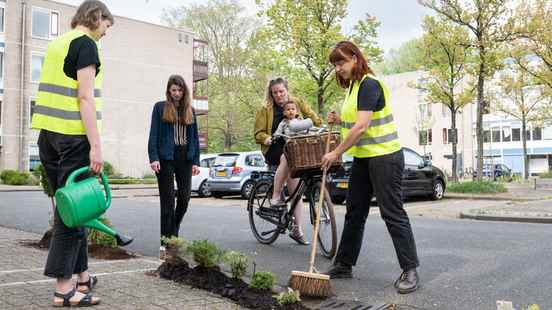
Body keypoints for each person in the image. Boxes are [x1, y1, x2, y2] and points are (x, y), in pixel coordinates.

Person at [30, 1, 113, 306]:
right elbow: (85, 97)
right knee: (70, 214)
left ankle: (81, 277)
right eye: (106, 26)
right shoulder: (86, 45)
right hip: (73, 137)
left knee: (73, 209)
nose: (106, 33)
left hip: (48, 135)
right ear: (96, 17)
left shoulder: (57, 44)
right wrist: (96, 145)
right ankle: (63, 289)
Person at [321, 41, 420, 294]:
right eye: (335, 64)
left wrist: (335, 152)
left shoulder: (369, 84)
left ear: (355, 58)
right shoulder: (353, 87)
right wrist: (339, 119)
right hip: (365, 158)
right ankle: (344, 263)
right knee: (354, 211)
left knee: (392, 212)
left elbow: (362, 127)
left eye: (341, 62)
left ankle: (410, 269)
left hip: (385, 157)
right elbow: (358, 120)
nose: (338, 68)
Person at [254, 78, 321, 245]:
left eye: (281, 91)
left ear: (287, 90)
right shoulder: (266, 109)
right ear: (271, 94)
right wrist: (266, 138)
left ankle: (297, 230)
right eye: (275, 92)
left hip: (296, 147)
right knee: (286, 156)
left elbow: (313, 118)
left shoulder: (296, 102)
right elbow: (258, 133)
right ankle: (276, 196)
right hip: (275, 148)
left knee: (296, 192)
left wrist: (318, 124)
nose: (278, 95)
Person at [148, 75, 200, 259]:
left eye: (179, 90)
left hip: (185, 158)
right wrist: (153, 157)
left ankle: (173, 232)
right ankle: (165, 243)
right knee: (168, 202)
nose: (177, 93)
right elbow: (153, 133)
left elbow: (194, 137)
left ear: (184, 91)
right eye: (173, 90)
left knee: (184, 199)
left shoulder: (190, 110)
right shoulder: (160, 107)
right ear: (169, 91)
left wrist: (196, 161)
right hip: (165, 159)